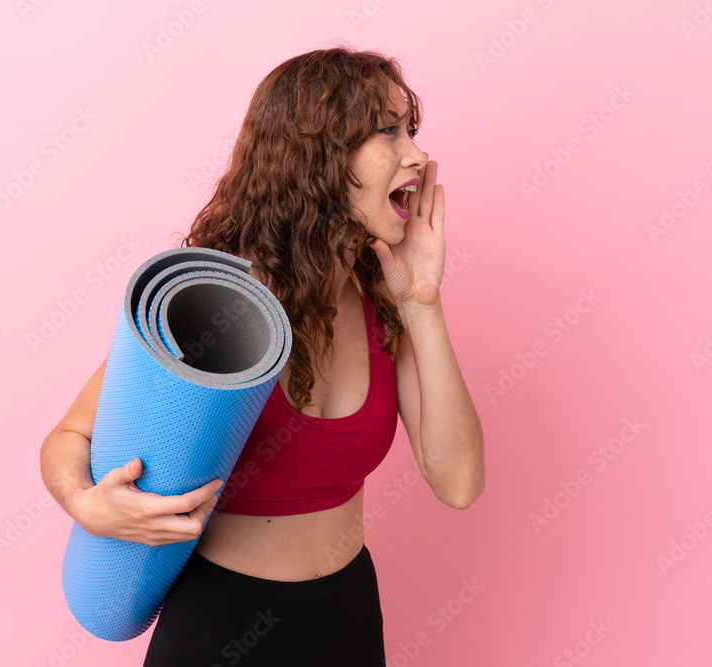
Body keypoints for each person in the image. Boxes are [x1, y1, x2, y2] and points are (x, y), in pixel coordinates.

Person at [40, 46, 485, 666]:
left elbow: (458, 482)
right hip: (220, 626)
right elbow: (71, 434)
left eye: (410, 130)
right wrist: (86, 503)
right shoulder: (225, 304)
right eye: (387, 132)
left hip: (348, 616)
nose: (415, 153)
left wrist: (424, 303)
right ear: (319, 155)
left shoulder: (388, 303)